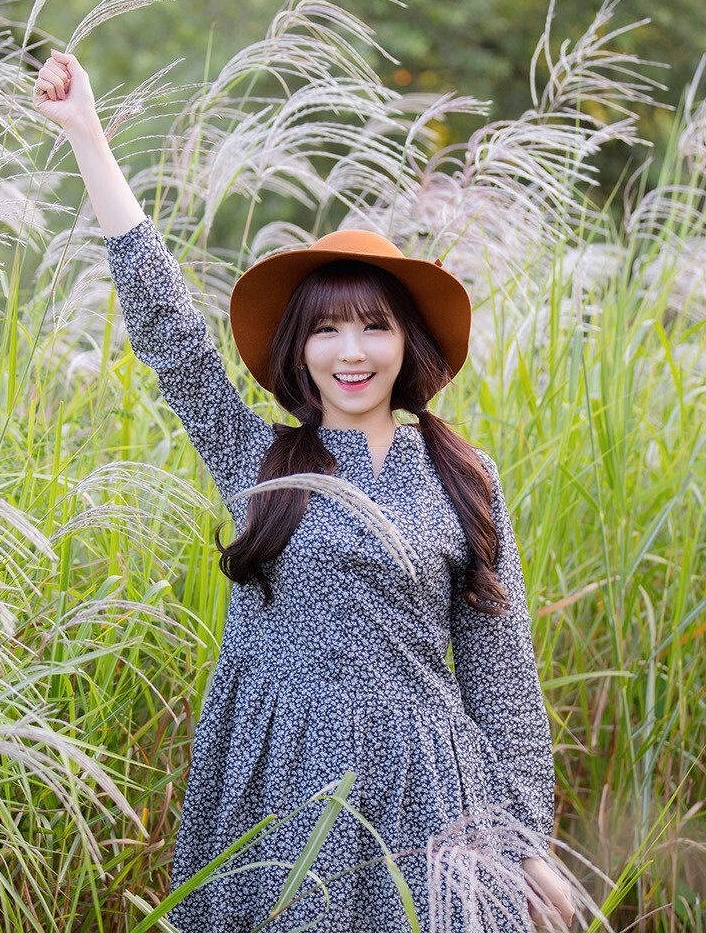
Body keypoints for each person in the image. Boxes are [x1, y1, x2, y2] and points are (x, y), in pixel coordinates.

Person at [32, 50, 575, 932]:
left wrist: (524, 846)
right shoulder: (259, 457)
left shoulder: (463, 477)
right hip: (272, 779)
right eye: (326, 329)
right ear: (298, 346)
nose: (350, 352)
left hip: (423, 795)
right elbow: (169, 333)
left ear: (408, 346)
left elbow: (501, 676)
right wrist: (91, 138)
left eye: (373, 326)